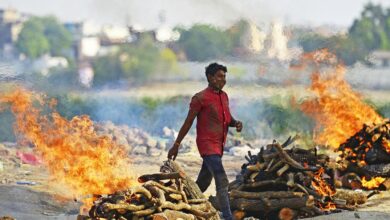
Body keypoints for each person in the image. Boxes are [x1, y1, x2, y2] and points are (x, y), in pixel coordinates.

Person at [167, 62, 242, 220]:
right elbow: (188, 122)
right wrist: (176, 145)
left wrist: (236, 123)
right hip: (207, 145)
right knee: (222, 179)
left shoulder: (224, 96)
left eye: (224, 77)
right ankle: (228, 217)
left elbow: (227, 118)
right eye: (219, 77)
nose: (223, 80)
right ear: (210, 77)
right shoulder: (200, 98)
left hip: (219, 146)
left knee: (203, 182)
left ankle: (185, 206)